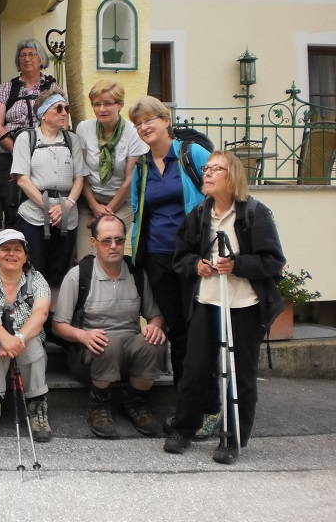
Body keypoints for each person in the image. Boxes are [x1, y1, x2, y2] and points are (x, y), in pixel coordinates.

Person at [165, 151, 286, 464]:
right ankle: (184, 428)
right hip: (207, 301)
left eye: (216, 169)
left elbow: (273, 262)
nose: (207, 174)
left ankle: (233, 438)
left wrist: (237, 264)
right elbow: (181, 257)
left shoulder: (255, 214)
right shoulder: (199, 214)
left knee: (240, 373)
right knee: (195, 368)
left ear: (232, 177)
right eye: (207, 168)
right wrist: (198, 265)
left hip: (244, 304)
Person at [52, 214, 166, 439]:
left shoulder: (137, 274)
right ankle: (99, 405)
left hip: (130, 354)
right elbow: (58, 326)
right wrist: (83, 336)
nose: (114, 246)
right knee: (109, 341)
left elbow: (155, 316)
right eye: (106, 241)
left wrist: (155, 326)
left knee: (153, 342)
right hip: (90, 355)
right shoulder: (79, 276)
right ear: (94, 243)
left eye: (119, 240)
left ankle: (135, 401)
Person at [129, 96, 211, 395]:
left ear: (166, 121)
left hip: (194, 255)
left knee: (198, 327)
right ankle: (185, 400)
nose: (143, 127)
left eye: (149, 119)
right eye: (138, 123)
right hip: (158, 256)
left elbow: (220, 193)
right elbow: (138, 209)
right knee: (176, 328)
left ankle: (207, 400)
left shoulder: (193, 154)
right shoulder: (142, 165)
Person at [0, 229, 51, 442]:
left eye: (17, 249)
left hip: (23, 353)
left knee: (33, 343)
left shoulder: (38, 279)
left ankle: (38, 407)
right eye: (5, 249)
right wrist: (5, 339)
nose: (11, 254)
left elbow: (41, 314)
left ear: (26, 256)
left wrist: (19, 339)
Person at [11, 88, 85, 295]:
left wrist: (67, 205)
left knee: (60, 271)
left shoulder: (72, 140)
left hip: (67, 215)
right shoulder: (27, 138)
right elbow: (22, 179)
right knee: (33, 268)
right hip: (34, 214)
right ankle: (33, 316)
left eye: (66, 108)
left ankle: (55, 319)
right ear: (43, 113)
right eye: (58, 108)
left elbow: (80, 177)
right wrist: (50, 208)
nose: (64, 113)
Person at [75, 80, 148, 261]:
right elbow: (81, 172)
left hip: (121, 203)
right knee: (87, 258)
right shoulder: (84, 129)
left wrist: (106, 212)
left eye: (108, 103)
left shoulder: (132, 132)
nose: (102, 109)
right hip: (89, 202)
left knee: (109, 254)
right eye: (97, 104)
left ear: (120, 105)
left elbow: (129, 180)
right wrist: (94, 206)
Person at [0, 39, 57, 227]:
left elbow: (61, 123)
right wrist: (18, 151)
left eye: (31, 54)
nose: (27, 59)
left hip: (43, 154)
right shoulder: (7, 88)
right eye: (22, 55)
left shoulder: (52, 87)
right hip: (9, 153)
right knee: (11, 205)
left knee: (38, 204)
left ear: (41, 58)